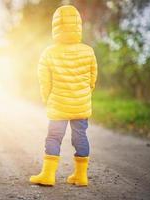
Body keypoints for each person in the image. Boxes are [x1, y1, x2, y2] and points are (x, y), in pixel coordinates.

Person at [29, 5, 98, 186]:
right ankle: (81, 176)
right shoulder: (88, 50)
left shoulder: (49, 52)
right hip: (81, 104)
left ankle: (48, 175)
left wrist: (46, 98)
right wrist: (85, 92)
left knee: (53, 138)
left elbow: (44, 80)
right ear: (78, 25)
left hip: (58, 104)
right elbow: (93, 77)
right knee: (80, 136)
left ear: (56, 26)